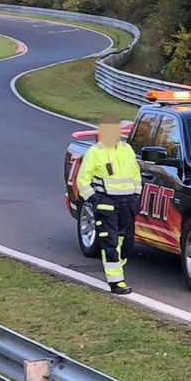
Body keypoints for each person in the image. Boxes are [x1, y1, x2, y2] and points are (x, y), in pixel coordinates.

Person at [76, 113, 143, 294]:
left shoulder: (127, 149)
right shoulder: (94, 153)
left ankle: (117, 268)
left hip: (128, 204)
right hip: (107, 205)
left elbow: (136, 175)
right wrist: (95, 200)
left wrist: (137, 196)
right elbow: (82, 180)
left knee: (127, 243)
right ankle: (116, 281)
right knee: (110, 241)